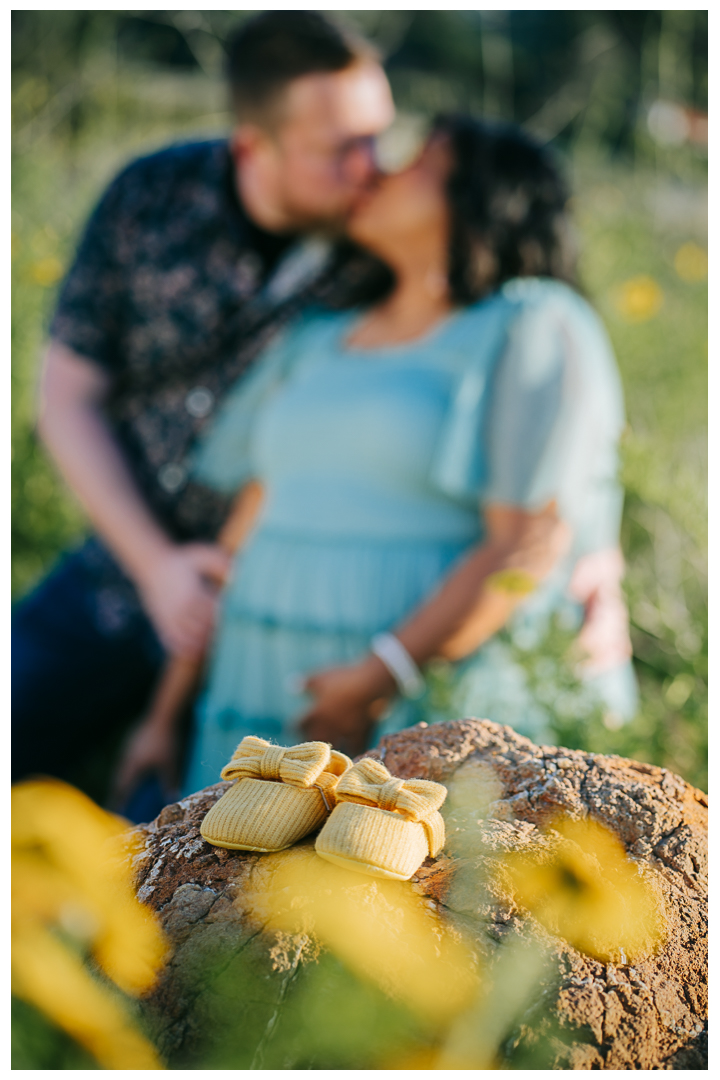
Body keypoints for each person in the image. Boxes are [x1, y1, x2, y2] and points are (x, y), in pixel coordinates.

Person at [177, 114, 638, 792]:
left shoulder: (530, 320)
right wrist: (165, 711)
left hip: (424, 710)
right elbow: (249, 517)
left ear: (478, 200)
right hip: (257, 687)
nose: (382, 172)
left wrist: (377, 679)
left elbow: (531, 535)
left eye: (418, 162)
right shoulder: (316, 334)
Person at [11, 11, 395, 796]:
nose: (373, 168)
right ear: (254, 144)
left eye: (379, 136)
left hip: (260, 624)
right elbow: (67, 396)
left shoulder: (387, 248)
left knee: (194, 858)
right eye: (341, 148)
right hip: (115, 570)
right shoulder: (149, 196)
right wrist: (157, 570)